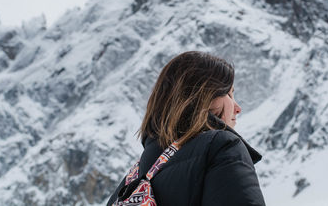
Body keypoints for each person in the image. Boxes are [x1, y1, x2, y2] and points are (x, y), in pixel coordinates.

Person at [107, 51, 266, 206]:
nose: (238, 108)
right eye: (229, 94)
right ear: (205, 97)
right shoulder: (222, 147)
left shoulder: (131, 181)